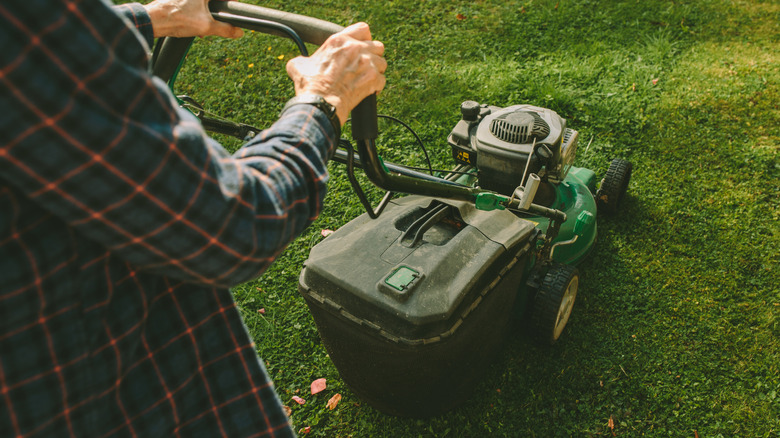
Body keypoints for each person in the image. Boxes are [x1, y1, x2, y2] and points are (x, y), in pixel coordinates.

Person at [0, 0, 386, 436]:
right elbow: (235, 223)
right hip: (109, 404)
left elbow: (39, 58)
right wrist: (325, 97)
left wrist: (151, 19)